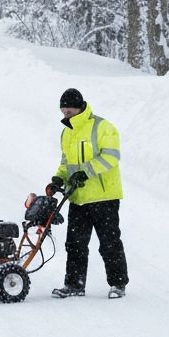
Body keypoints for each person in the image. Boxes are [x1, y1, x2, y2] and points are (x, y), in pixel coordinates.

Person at [48, 88, 129, 299]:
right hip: (78, 198)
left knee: (109, 243)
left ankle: (118, 284)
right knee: (75, 244)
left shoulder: (102, 127)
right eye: (63, 112)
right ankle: (75, 284)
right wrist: (59, 177)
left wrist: (86, 172)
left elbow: (111, 157)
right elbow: (66, 162)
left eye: (68, 112)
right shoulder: (67, 132)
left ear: (79, 107)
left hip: (104, 197)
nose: (65, 115)